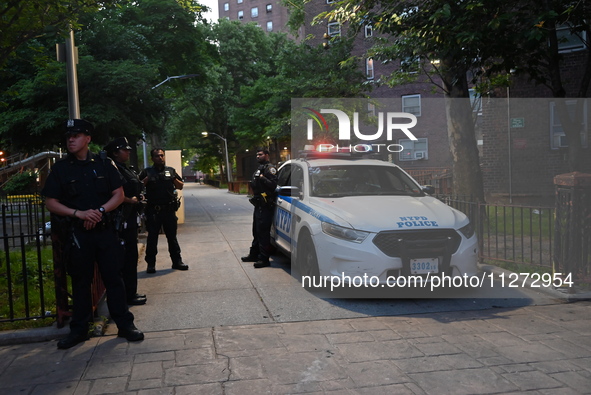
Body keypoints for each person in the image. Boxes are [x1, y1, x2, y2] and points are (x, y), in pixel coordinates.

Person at [42, 119, 144, 349]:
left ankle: (125, 326)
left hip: (105, 231)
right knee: (80, 283)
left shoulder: (104, 164)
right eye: (68, 136)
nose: (70, 139)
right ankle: (79, 330)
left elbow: (118, 194)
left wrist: (98, 212)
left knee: (113, 280)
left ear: (87, 139)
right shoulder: (61, 169)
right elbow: (51, 202)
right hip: (78, 235)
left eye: (76, 135)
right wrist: (79, 214)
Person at [104, 137, 146, 306]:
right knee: (124, 259)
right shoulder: (113, 169)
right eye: (124, 150)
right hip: (121, 220)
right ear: (115, 153)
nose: (128, 152)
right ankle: (126, 295)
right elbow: (113, 194)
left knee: (130, 257)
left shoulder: (125, 169)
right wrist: (131, 200)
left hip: (131, 219)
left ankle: (131, 292)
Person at [139, 148, 188, 273]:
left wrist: (173, 179)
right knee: (152, 239)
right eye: (157, 156)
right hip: (153, 211)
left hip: (168, 210)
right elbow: (138, 186)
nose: (160, 158)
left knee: (172, 238)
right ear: (152, 158)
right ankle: (151, 264)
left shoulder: (170, 170)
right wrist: (146, 180)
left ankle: (177, 261)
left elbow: (180, 186)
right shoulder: (147, 171)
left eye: (161, 155)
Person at [241, 148, 278, 268]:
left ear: (267, 155)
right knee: (256, 231)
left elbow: (273, 185)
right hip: (258, 204)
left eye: (260, 154)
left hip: (266, 205)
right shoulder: (260, 168)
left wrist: (262, 179)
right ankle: (254, 254)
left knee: (263, 233)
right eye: (257, 154)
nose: (258, 156)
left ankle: (264, 259)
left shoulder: (270, 169)